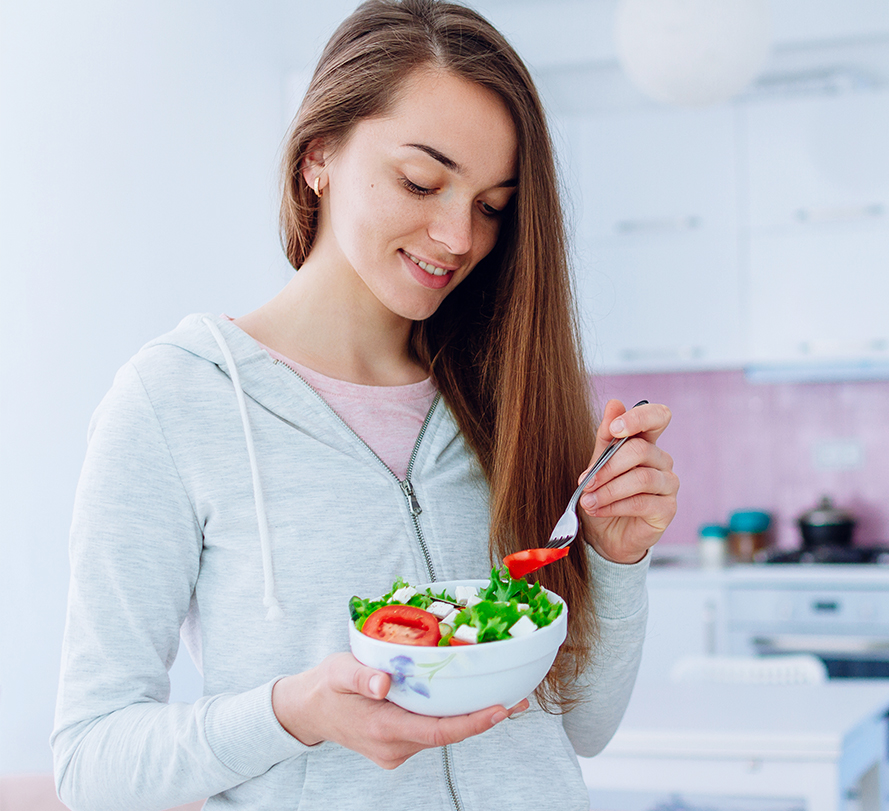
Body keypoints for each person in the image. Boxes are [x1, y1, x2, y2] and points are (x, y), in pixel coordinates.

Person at [50, 1, 678, 808]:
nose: (458, 236)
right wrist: (294, 713)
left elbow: (582, 724)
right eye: (422, 181)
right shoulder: (174, 402)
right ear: (319, 155)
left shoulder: (505, 391)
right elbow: (92, 762)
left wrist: (616, 558)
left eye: (492, 205)